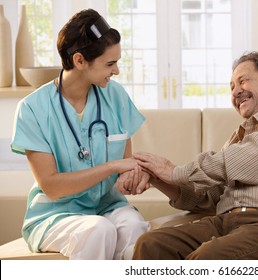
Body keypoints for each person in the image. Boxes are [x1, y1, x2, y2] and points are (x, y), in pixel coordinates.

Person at [131, 51, 258, 260]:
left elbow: (252, 158)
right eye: (232, 87)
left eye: (242, 81)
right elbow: (208, 198)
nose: (236, 92)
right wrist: (158, 176)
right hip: (228, 223)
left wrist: (176, 172)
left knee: (209, 258)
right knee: (151, 244)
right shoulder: (238, 137)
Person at [11, 9, 150, 260]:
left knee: (134, 227)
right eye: (110, 63)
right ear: (79, 60)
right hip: (55, 215)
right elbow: (52, 187)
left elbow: (125, 168)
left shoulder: (115, 96)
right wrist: (112, 166)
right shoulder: (33, 109)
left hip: (108, 206)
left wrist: (132, 177)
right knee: (98, 229)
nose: (116, 70)